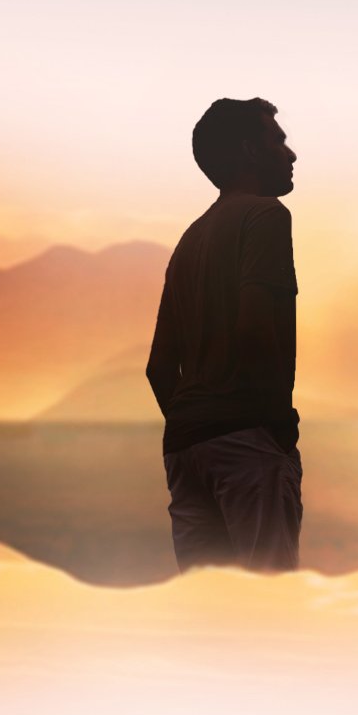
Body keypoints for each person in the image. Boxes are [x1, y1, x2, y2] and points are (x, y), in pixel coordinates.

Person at [146, 97, 302, 572]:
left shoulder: (189, 241)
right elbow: (255, 327)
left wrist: (196, 424)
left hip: (185, 445)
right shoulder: (266, 216)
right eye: (279, 141)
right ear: (250, 151)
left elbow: (157, 369)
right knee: (269, 602)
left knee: (211, 617)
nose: (291, 154)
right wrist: (273, 426)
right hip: (249, 440)